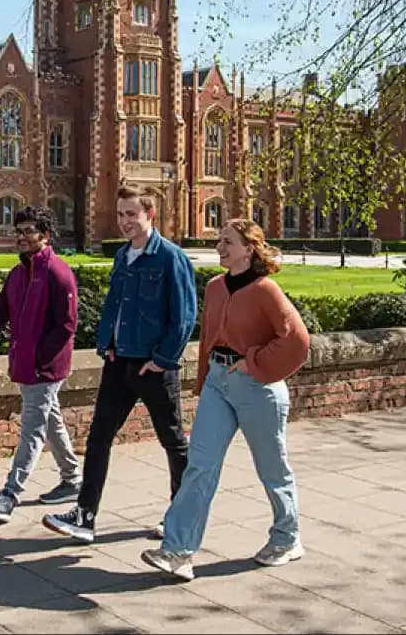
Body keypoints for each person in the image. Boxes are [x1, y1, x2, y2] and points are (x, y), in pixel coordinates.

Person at [141, 218, 310, 581]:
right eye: (219, 240)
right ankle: (178, 551)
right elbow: (208, 340)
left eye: (227, 241)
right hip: (219, 384)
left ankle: (287, 538)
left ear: (249, 248)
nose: (219, 247)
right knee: (200, 465)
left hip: (257, 388)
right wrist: (205, 382)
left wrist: (254, 363)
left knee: (272, 469)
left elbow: (297, 341)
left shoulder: (267, 290)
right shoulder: (216, 287)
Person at [42, 185, 197, 544]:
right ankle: (85, 516)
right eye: (121, 214)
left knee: (172, 441)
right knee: (98, 438)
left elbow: (185, 316)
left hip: (153, 366)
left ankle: (181, 516)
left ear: (150, 215)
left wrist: (162, 360)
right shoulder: (123, 256)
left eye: (132, 214)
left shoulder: (170, 258)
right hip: (119, 360)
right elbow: (115, 305)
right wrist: (105, 344)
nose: (125, 221)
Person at [0, 204, 83, 521]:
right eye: (19, 231)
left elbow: (67, 326)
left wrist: (41, 359)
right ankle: (72, 479)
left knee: (32, 430)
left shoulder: (58, 272)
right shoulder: (18, 274)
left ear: (46, 235)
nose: (22, 237)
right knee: (49, 420)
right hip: (26, 363)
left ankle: (10, 494)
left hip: (45, 368)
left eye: (29, 231)